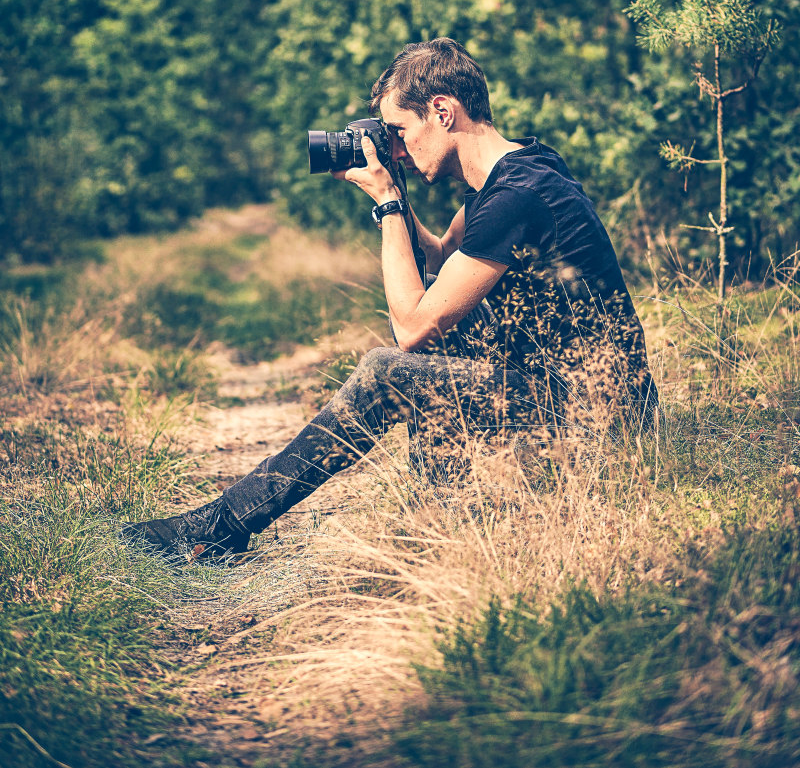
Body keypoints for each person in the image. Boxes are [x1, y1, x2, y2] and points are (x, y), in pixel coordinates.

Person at [122, 38, 657, 562]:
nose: (397, 147)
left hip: (599, 419)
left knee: (388, 368)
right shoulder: (521, 172)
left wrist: (387, 205)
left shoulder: (513, 198)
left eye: (400, 130)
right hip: (576, 398)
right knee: (444, 341)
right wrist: (390, 193)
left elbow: (412, 326)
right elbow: (441, 259)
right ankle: (441, 520)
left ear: (442, 112)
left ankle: (224, 525)